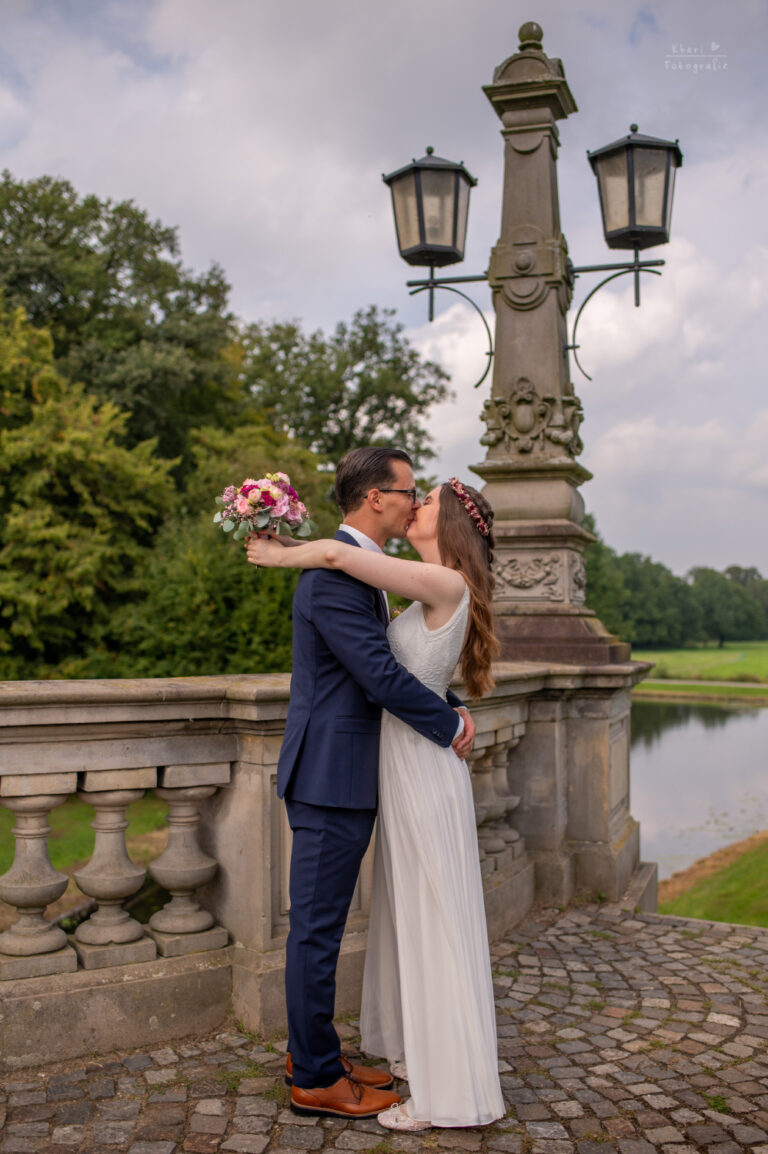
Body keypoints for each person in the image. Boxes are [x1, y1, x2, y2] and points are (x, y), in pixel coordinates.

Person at [246, 469, 505, 1132]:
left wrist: (446, 708)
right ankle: (315, 1075)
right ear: (376, 497)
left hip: (387, 772)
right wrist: (450, 718)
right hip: (337, 774)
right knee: (319, 927)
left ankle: (321, 1059)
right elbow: (383, 673)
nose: (416, 502)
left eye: (428, 499)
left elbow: (397, 669)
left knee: (381, 920)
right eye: (410, 491)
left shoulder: (390, 576)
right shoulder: (345, 573)